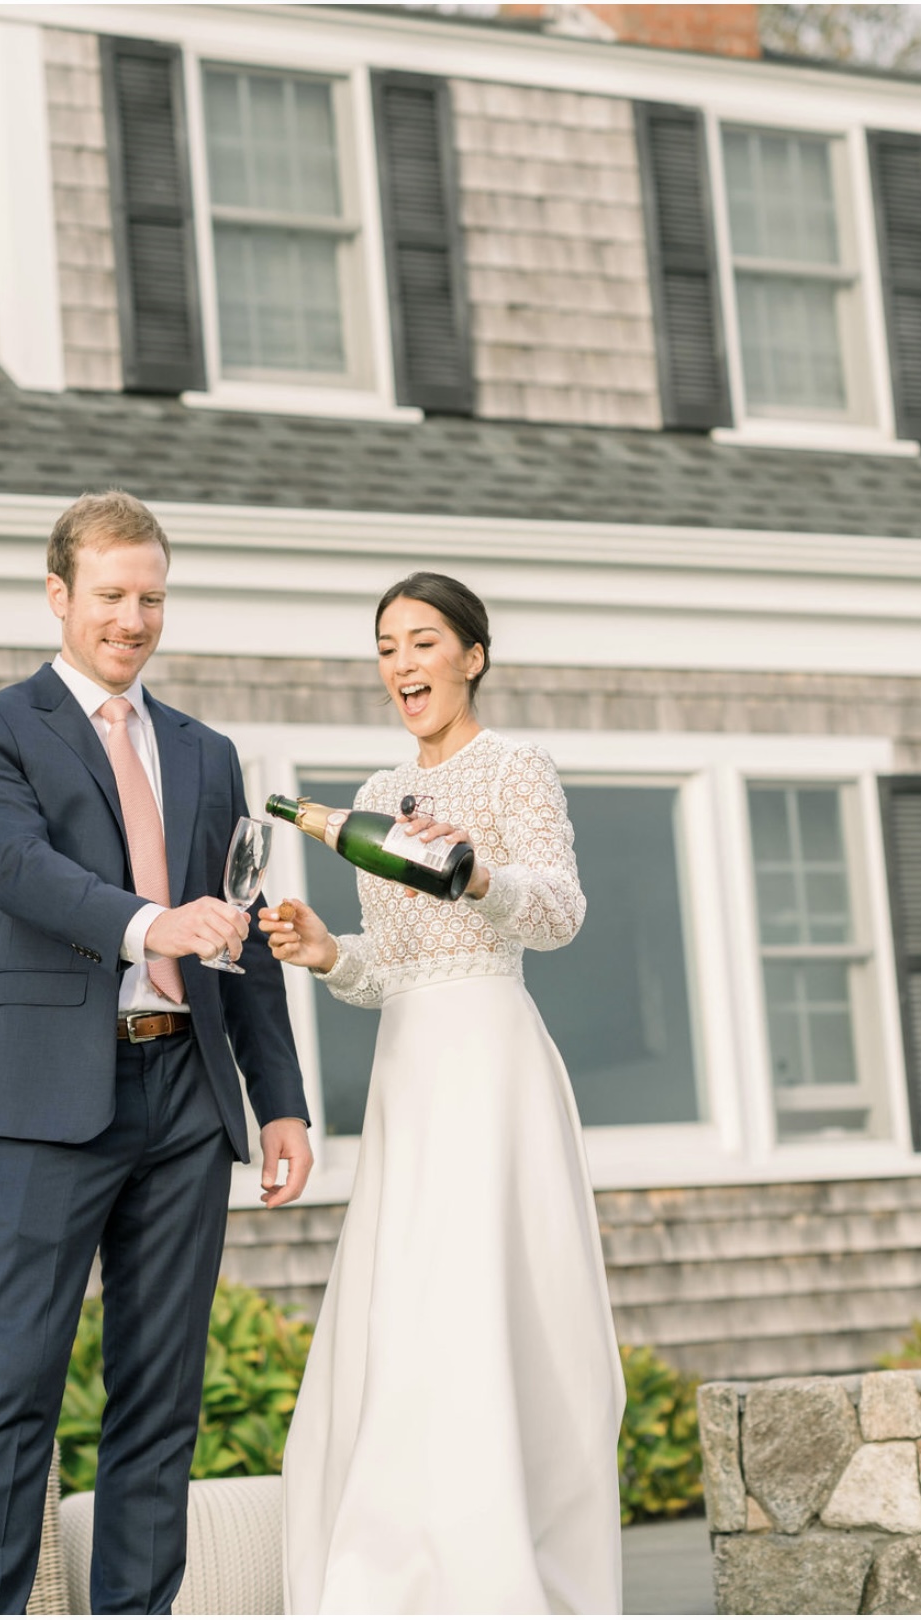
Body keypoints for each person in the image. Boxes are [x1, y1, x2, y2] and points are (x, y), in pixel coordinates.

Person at [0, 491, 312, 1615]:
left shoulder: (206, 750)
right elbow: (21, 873)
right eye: (109, 596)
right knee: (15, 1382)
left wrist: (279, 1102)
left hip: (185, 1104)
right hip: (48, 1101)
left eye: (150, 597)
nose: (131, 619)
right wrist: (155, 925)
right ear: (59, 596)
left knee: (160, 1396)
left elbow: (239, 927)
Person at [260, 572, 624, 1615]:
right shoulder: (372, 801)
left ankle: (503, 1570)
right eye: (386, 648)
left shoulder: (515, 770)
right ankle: (399, 1574)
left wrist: (473, 878)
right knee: (407, 1315)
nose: (402, 665)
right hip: (409, 1076)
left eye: (423, 642)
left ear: (470, 655)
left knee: (488, 1309)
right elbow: (394, 968)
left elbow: (555, 914)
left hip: (489, 1066)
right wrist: (330, 954)